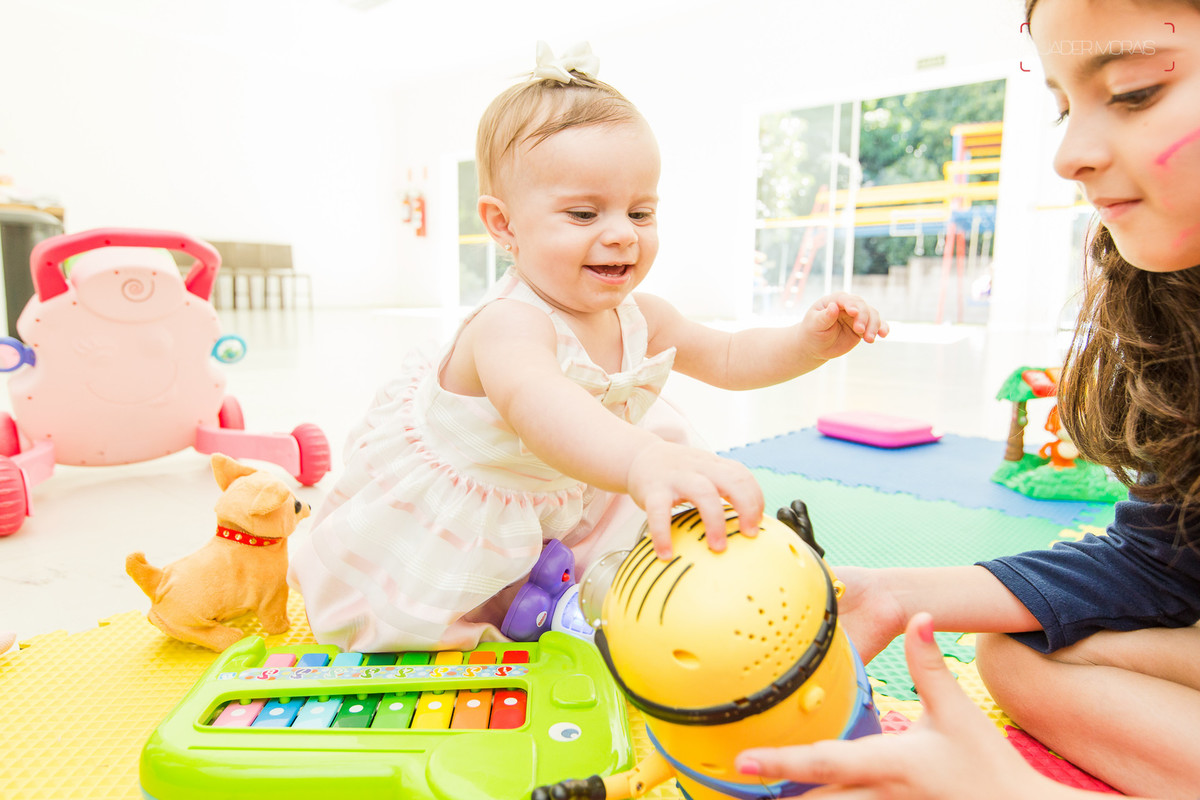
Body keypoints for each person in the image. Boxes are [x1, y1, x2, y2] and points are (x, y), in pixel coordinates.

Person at [738, 0, 1200, 797]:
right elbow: (1162, 562)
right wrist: (892, 593)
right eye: (1064, 106)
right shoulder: (1177, 312)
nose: (1069, 155)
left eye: (1133, 93)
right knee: (1014, 652)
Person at [287, 43, 887, 653]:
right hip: (475, 510)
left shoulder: (643, 316)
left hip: (571, 492)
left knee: (650, 564)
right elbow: (540, 406)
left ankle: (572, 590)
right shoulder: (508, 325)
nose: (622, 234)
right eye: (583, 213)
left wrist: (806, 344)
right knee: (452, 625)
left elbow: (730, 357)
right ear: (503, 224)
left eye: (641, 212)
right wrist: (642, 459)